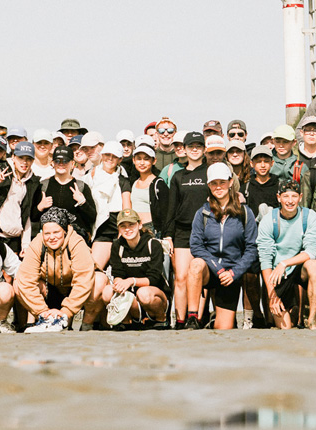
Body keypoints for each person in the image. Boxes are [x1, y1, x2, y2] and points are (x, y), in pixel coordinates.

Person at [189, 162, 259, 330]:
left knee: (224, 329)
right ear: (209, 185)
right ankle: (192, 316)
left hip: (231, 275)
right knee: (195, 264)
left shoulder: (245, 212)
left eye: (222, 182)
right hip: (211, 270)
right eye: (214, 183)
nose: (218, 187)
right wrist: (217, 268)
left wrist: (234, 272)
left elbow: (251, 249)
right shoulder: (203, 213)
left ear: (230, 182)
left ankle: (215, 320)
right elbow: (196, 246)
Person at [15, 208, 97, 333]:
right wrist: (42, 311)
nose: (52, 237)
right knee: (17, 283)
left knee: (100, 281)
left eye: (56, 232)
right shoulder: (37, 243)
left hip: (72, 290)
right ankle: (43, 321)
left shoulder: (76, 242)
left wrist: (66, 311)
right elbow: (26, 279)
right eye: (47, 233)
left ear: (64, 231)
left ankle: (86, 325)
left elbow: (83, 280)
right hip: (50, 289)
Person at [255, 178, 316, 329]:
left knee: (313, 265)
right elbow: (265, 259)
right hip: (277, 276)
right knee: (286, 327)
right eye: (286, 196)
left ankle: (312, 320)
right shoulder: (269, 220)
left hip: (298, 268)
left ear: (300, 197)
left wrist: (285, 263)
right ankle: (290, 310)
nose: (290, 201)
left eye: (294, 196)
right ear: (279, 198)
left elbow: (310, 252)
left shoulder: (309, 216)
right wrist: (272, 294)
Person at [163, 132, 211, 327]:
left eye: (199, 145)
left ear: (204, 149)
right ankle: (181, 320)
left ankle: (196, 319)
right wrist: (168, 235)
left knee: (198, 275)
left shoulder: (210, 171)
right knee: (181, 277)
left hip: (206, 230)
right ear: (184, 148)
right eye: (191, 145)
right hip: (182, 231)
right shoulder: (178, 176)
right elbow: (171, 208)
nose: (194, 149)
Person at [103, 209, 171, 328]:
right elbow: (117, 273)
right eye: (123, 226)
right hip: (131, 295)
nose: (127, 229)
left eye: (131, 225)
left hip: (154, 294)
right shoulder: (117, 246)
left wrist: (131, 281)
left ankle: (161, 319)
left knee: (143, 293)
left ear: (139, 225)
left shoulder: (153, 244)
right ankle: (127, 321)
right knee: (107, 292)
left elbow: (154, 278)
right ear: (118, 229)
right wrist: (118, 284)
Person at [31, 146, 96, 240]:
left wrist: (82, 202)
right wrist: (40, 207)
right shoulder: (43, 186)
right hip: (50, 240)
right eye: (57, 161)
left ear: (73, 163)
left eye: (65, 161)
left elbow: (92, 218)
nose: (61, 164)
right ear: (52, 163)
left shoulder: (81, 187)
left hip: (75, 240)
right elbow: (33, 217)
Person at [88, 141, 132, 270]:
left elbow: (127, 208)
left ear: (120, 159)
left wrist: (122, 232)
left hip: (119, 229)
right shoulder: (91, 176)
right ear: (102, 155)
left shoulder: (123, 180)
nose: (110, 159)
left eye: (114, 156)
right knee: (93, 269)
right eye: (107, 154)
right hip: (101, 230)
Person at [246, 145, 282, 217]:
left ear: (272, 163)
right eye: (258, 162)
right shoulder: (246, 188)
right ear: (252, 164)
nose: (263, 165)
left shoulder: (279, 186)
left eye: (266, 161)